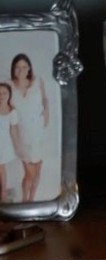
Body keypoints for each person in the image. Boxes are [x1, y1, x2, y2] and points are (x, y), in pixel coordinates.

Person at [10, 54, 48, 203]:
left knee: (37, 169)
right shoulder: (8, 85)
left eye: (24, 67)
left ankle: (31, 200)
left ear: (29, 68)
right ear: (13, 69)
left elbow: (45, 99)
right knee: (29, 173)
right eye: (17, 67)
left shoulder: (38, 82)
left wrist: (46, 114)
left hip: (39, 131)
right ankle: (25, 201)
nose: (21, 70)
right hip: (22, 135)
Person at [0, 83, 21, 203]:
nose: (1, 96)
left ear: (9, 95)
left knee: (1, 167)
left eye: (4, 93)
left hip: (3, 143)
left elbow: (14, 131)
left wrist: (18, 147)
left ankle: (3, 192)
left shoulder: (12, 112)